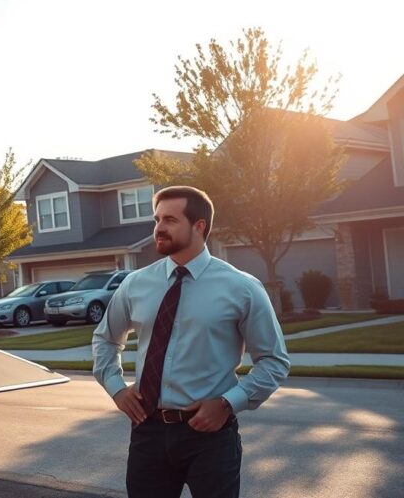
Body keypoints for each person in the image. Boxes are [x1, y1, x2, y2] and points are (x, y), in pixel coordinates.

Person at [92, 186, 290, 498]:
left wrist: (227, 404)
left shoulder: (242, 288)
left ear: (199, 226)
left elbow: (274, 361)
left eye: (170, 220)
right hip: (148, 431)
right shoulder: (136, 284)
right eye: (156, 220)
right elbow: (105, 338)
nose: (158, 228)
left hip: (210, 436)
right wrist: (116, 387)